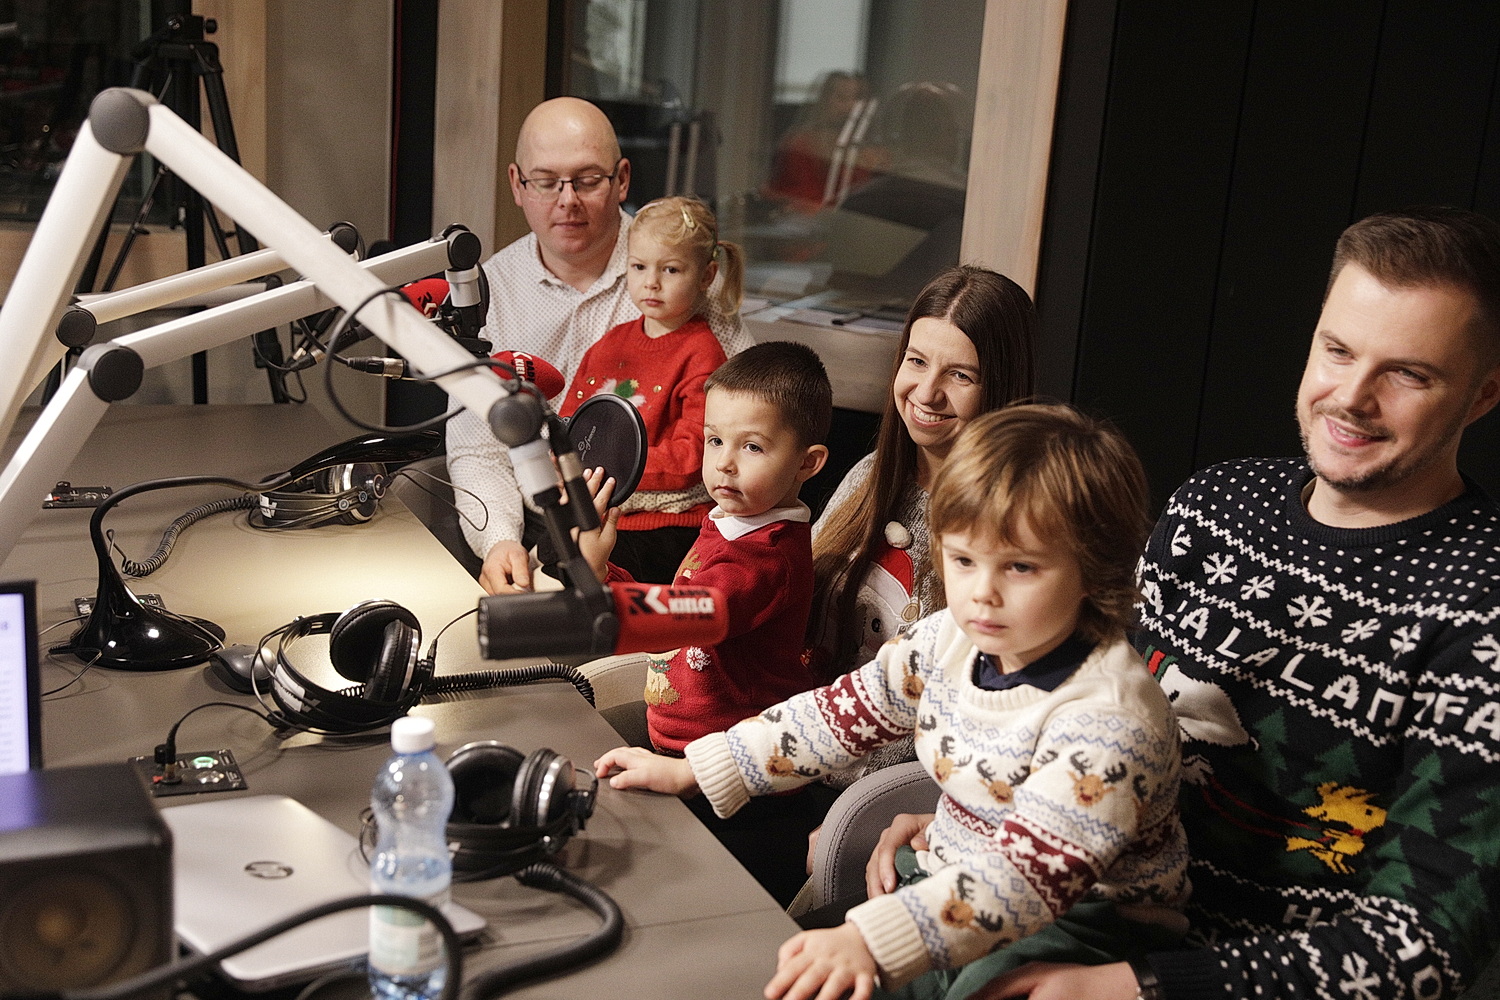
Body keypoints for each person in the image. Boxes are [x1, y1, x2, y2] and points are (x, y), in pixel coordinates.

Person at [983, 206, 1500, 1000]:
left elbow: (1423, 944)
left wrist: (1127, 988)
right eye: (1337, 350)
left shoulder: (1480, 608)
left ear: (1482, 395)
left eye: (1408, 374)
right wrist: (979, 816)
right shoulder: (1214, 505)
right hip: (1074, 910)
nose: (1351, 397)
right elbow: (1082, 709)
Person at [595, 404, 1191, 1000]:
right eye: (963, 560)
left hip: (1078, 926)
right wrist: (699, 768)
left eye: (1020, 567)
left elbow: (1028, 877)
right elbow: (839, 714)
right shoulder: (951, 638)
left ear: (1096, 570)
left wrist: (872, 942)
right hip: (952, 883)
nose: (982, 593)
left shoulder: (1109, 716)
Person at [443, 97, 752, 595]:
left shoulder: (679, 268)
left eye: (587, 180)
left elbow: (745, 424)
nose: (567, 200)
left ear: (622, 180)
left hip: (665, 530)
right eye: (546, 181)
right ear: (517, 185)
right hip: (543, 519)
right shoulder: (490, 292)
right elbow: (478, 447)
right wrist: (500, 541)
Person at [581, 340, 834, 907]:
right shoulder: (733, 521)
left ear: (808, 463)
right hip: (681, 748)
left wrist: (593, 591)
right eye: (715, 440)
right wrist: (601, 569)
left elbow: (687, 616)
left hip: (735, 783)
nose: (724, 462)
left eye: (752, 446)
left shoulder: (767, 558)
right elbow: (679, 600)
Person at [807, 265, 1036, 793]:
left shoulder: (1013, 531)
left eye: (961, 376)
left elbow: (968, 719)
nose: (926, 393)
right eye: (916, 361)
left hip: (884, 798)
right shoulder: (868, 477)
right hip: (797, 755)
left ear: (1001, 388)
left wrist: (862, 808)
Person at [554, 196, 744, 584]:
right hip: (596, 511)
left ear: (706, 276)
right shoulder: (610, 343)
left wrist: (612, 469)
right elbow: (571, 420)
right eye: (639, 266)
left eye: (671, 269)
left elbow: (694, 454)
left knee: (590, 590)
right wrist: (563, 462)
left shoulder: (702, 353)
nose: (651, 282)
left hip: (662, 526)